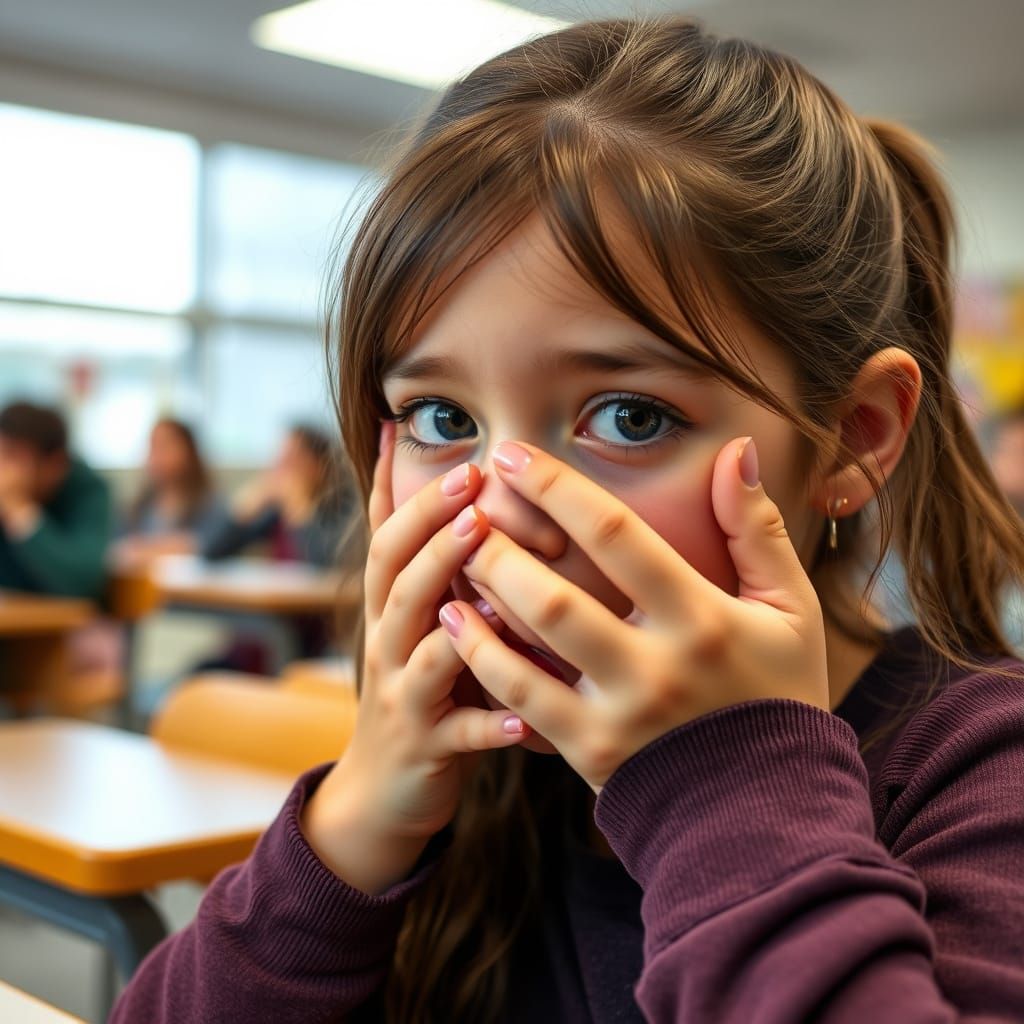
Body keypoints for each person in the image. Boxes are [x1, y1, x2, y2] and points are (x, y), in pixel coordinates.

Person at [112, 17, 1024, 1023]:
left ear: (850, 438)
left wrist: (726, 779)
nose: (506, 513)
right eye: (441, 419)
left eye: (629, 418)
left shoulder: (982, 768)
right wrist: (352, 826)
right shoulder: (462, 774)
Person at [0, 401, 111, 600]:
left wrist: (21, 512)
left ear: (55, 464)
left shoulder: (87, 491)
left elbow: (81, 582)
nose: (3, 469)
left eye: (13, 456)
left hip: (65, 625)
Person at [199, 424, 347, 568]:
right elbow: (210, 552)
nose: (281, 470)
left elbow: (329, 563)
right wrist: (240, 513)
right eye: (279, 460)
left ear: (321, 466)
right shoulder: (276, 510)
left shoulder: (341, 507)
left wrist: (301, 512)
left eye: (291, 461)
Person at [116, 418, 225, 561]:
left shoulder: (210, 504)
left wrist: (155, 548)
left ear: (188, 451)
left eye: (165, 446)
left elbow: (213, 543)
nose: (156, 456)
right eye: (152, 447)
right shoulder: (138, 507)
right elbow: (120, 546)